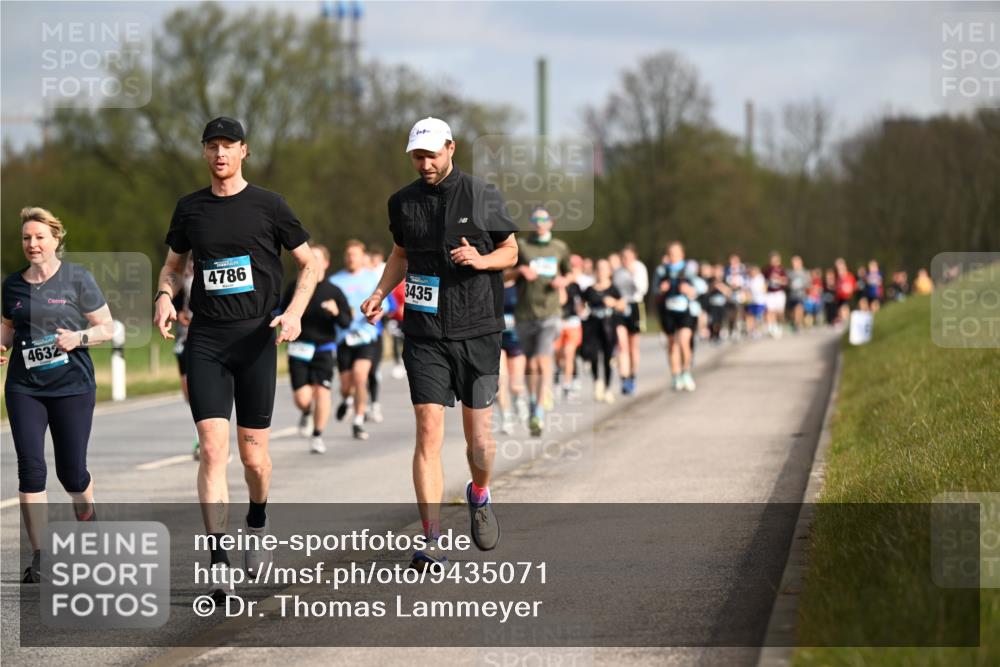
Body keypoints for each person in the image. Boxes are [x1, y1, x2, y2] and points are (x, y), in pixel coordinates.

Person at [153, 117, 316, 598]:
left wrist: (295, 313)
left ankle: (259, 522)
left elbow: (311, 263)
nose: (220, 153)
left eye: (228, 145)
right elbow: (172, 266)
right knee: (211, 448)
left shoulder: (270, 206)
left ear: (243, 150)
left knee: (255, 458)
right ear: (204, 153)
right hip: (206, 338)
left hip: (256, 339)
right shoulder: (190, 209)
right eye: (212, 146)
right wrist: (164, 295)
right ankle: (218, 556)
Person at [361, 117, 518, 569]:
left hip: (479, 330)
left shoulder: (481, 195)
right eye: (417, 156)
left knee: (480, 444)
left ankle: (480, 493)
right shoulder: (402, 203)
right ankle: (430, 540)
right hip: (424, 333)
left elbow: (510, 251)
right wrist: (379, 291)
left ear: (451, 149)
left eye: (432, 154)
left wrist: (481, 258)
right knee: (428, 431)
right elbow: (400, 254)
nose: (425, 163)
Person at [2, 206, 115, 583]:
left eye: (39, 237)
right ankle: (41, 556)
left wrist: (78, 337)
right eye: (26, 238)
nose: (32, 244)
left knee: (72, 473)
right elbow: (5, 330)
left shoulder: (77, 278)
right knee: (31, 470)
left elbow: (107, 327)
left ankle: (89, 521)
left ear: (55, 240)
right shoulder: (12, 285)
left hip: (72, 387)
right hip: (24, 387)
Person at [281, 245, 351, 454]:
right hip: (299, 347)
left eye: (318, 258)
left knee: (322, 391)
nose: (313, 261)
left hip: (324, 347)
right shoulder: (295, 286)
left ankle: (318, 435)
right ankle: (306, 412)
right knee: (302, 398)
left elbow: (346, 322)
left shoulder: (334, 291)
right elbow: (280, 310)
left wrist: (336, 312)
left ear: (326, 263)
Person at [513, 207, 572, 436]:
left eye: (543, 219)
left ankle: (539, 409)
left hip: (550, 313)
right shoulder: (522, 246)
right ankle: (532, 401)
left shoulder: (559, 247)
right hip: (525, 314)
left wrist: (563, 280)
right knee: (530, 363)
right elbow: (504, 273)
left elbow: (570, 273)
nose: (539, 222)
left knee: (541, 359)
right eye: (535, 219)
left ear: (551, 222)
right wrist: (520, 271)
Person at [330, 240, 384, 441]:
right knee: (346, 385)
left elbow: (382, 306)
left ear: (362, 257)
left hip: (366, 337)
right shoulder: (335, 281)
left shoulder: (373, 280)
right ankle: (346, 399)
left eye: (355, 254)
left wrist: (375, 316)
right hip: (344, 338)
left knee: (360, 377)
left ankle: (358, 421)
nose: (351, 258)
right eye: (349, 254)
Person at [654, 242, 699, 391]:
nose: (673, 256)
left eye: (676, 253)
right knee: (672, 344)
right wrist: (661, 289)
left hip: (685, 310)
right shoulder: (661, 271)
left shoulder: (688, 271)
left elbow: (698, 289)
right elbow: (654, 290)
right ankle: (675, 375)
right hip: (668, 311)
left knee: (684, 341)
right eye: (671, 253)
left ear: (682, 255)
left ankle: (686, 372)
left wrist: (689, 290)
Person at [583, 258, 625, 403]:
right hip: (593, 326)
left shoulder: (614, 289)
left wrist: (614, 303)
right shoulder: (590, 290)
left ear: (609, 272)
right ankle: (597, 382)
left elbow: (622, 306)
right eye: (599, 268)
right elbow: (581, 305)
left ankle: (607, 388)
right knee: (594, 356)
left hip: (609, 326)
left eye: (604, 268)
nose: (601, 271)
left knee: (607, 358)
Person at [763, 251, 788, 338]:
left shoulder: (782, 269)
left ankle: (779, 325)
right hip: (770, 293)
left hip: (779, 293)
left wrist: (778, 279)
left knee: (779, 312)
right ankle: (771, 328)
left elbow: (785, 282)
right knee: (770, 311)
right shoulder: (767, 270)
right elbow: (764, 282)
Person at [787, 255, 810, 332]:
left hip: (801, 295)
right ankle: (794, 322)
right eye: (793, 262)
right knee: (792, 312)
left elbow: (808, 283)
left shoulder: (805, 273)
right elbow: (787, 283)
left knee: (799, 308)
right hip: (792, 295)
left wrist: (801, 286)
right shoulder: (789, 273)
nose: (794, 264)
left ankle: (797, 325)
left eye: (795, 262)